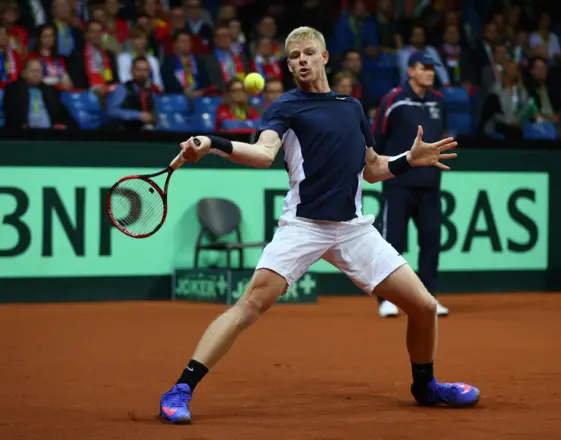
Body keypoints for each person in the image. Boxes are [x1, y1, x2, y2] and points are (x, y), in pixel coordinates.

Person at [158, 26, 480, 425]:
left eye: (309, 53)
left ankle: (425, 386)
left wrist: (408, 159)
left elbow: (374, 168)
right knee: (251, 303)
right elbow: (262, 154)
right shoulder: (286, 107)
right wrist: (213, 143)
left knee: (424, 306)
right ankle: (180, 389)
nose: (302, 61)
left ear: (325, 57)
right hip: (303, 225)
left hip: (353, 229)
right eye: (294, 57)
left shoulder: (352, 106)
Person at [371, 53, 450, 319]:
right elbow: (378, 139)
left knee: (431, 242)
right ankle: (387, 299)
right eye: (423, 68)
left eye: (432, 69)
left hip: (429, 185)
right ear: (410, 71)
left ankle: (428, 297)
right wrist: (382, 168)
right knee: (392, 243)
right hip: (398, 184)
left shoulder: (439, 101)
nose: (429, 73)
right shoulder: (394, 100)